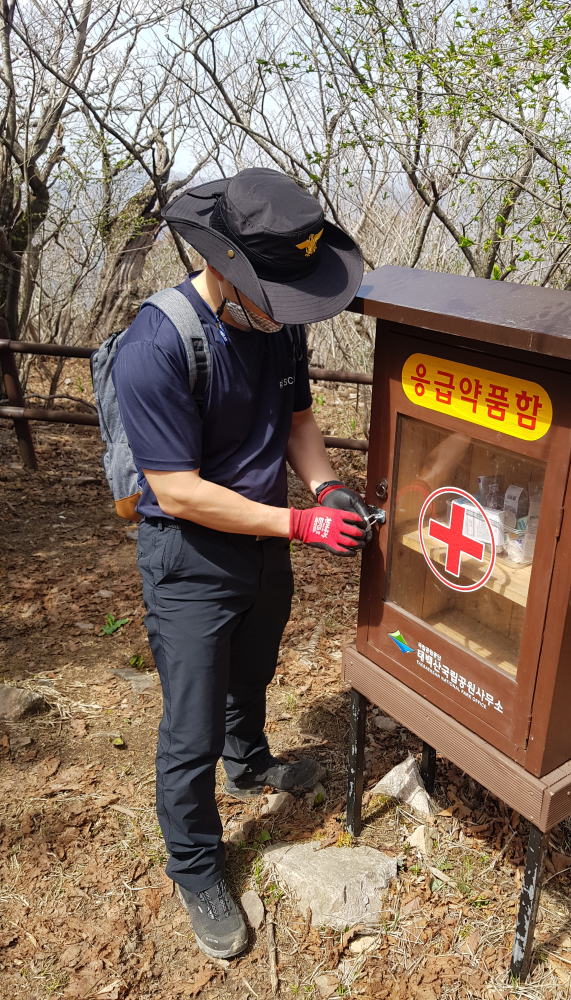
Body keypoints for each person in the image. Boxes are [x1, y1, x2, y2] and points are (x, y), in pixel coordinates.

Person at [112, 168, 372, 959]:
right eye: (274, 297)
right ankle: (194, 862)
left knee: (253, 666)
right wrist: (301, 522)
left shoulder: (276, 322)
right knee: (187, 727)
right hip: (189, 553)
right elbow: (178, 492)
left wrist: (325, 487)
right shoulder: (157, 343)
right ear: (224, 270)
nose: (286, 314)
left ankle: (249, 762)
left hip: (265, 538)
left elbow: (297, 417)